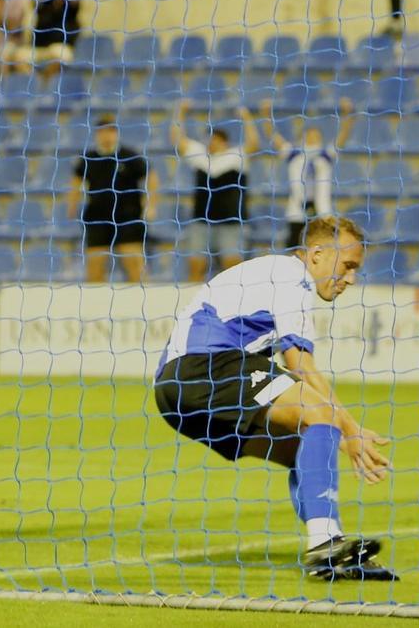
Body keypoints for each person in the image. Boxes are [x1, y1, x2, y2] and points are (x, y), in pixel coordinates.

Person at [154, 215, 396, 581]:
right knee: (321, 418)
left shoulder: (276, 275)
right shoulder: (289, 277)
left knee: (307, 447)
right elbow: (300, 366)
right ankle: (323, 545)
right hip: (202, 366)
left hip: (174, 399)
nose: (351, 279)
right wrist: (351, 429)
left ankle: (331, 547)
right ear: (316, 254)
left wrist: (338, 433)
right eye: (347, 266)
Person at [171, 99, 260, 282]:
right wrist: (180, 112)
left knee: (233, 267)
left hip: (231, 222)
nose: (213, 143)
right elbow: (178, 140)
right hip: (201, 221)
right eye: (211, 139)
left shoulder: (236, 157)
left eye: (218, 140)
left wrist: (246, 117)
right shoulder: (200, 155)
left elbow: (254, 144)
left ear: (225, 142)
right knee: (196, 266)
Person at [67, 115, 159, 283]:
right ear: (97, 135)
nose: (106, 135)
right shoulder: (89, 158)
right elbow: (76, 181)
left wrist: (151, 204)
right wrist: (72, 204)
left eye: (110, 131)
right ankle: (96, 307)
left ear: (116, 134)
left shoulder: (129, 156)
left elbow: (151, 177)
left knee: (134, 265)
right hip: (97, 217)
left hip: (128, 217)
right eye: (102, 132)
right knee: (94, 267)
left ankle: (141, 305)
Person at [259, 98, 355, 250]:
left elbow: (343, 136)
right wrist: (265, 114)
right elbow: (272, 136)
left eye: (316, 135)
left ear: (321, 139)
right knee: (295, 252)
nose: (312, 137)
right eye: (308, 135)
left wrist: (348, 114)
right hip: (297, 212)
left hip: (322, 212)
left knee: (322, 251)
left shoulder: (325, 156)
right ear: (302, 138)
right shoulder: (294, 155)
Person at [29, 0, 80, 79]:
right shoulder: (45, 2)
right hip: (40, 48)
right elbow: (34, 1)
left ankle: (43, 85)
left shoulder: (69, 3)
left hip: (61, 47)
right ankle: (34, 83)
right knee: (19, 58)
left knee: (58, 59)